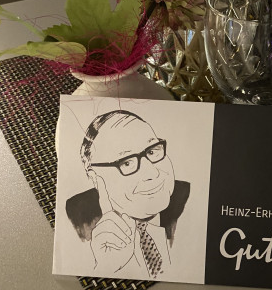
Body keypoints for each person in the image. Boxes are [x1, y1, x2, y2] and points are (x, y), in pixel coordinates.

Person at [65, 110, 190, 278]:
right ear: (95, 177)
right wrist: (106, 269)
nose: (152, 172)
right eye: (127, 162)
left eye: (152, 151)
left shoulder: (190, 199)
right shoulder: (76, 220)